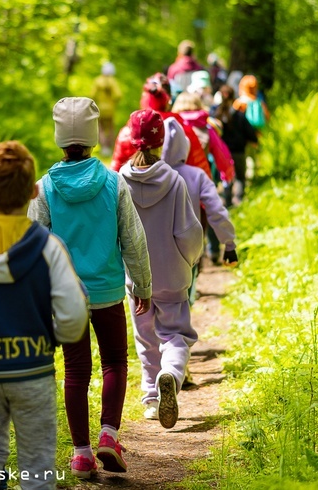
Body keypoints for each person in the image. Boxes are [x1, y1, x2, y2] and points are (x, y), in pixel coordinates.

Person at [0, 141, 89, 490]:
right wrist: (50, 336)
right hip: (33, 373)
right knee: (37, 462)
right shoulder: (48, 248)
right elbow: (73, 318)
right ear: (32, 192)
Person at [28, 97, 152, 479]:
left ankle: (81, 453)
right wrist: (142, 284)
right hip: (109, 292)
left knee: (76, 371)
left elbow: (35, 245)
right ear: (94, 137)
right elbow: (134, 239)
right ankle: (108, 435)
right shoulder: (114, 183)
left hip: (65, 297)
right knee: (115, 361)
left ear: (59, 139)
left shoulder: (44, 189)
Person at [119, 109, 204, 430]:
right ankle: (171, 373)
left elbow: (118, 233)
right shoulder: (175, 181)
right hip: (172, 274)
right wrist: (190, 260)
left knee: (145, 339)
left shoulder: (119, 182)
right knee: (176, 336)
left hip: (135, 278)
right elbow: (189, 232)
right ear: (160, 142)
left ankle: (152, 399)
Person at [161, 116, 238, 298]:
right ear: (185, 147)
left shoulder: (148, 176)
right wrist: (228, 243)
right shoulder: (197, 175)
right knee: (182, 299)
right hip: (189, 247)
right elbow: (216, 209)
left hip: (156, 249)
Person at [110, 73, 211, 177]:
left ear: (144, 98)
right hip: (178, 191)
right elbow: (201, 171)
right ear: (169, 100)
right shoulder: (183, 130)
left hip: (131, 192)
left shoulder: (127, 132)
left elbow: (114, 174)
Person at [214, 85, 259, 207]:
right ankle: (238, 201)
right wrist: (254, 140)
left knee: (225, 176)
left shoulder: (216, 115)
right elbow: (249, 131)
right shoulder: (239, 115)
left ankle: (227, 201)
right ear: (234, 98)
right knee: (240, 176)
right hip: (239, 150)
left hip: (222, 152)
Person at [89, 62, 123, 157]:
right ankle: (110, 148)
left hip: (99, 109)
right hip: (110, 110)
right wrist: (113, 101)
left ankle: (103, 147)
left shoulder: (97, 80)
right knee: (110, 128)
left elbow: (92, 95)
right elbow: (118, 95)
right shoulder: (113, 81)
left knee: (100, 129)